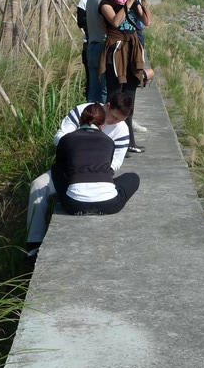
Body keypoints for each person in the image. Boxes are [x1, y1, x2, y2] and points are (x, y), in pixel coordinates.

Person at [26, 92, 134, 256]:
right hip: (70, 167)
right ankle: (33, 242)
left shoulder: (122, 130)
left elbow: (116, 163)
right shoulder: (83, 111)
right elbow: (60, 136)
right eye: (113, 117)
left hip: (97, 172)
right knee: (38, 185)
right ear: (108, 105)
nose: (114, 122)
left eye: (119, 120)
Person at [98, 0, 154, 152]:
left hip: (132, 50)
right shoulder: (106, 3)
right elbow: (115, 22)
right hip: (116, 52)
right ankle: (106, 139)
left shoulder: (133, 1)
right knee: (114, 96)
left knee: (130, 97)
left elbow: (146, 22)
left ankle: (129, 141)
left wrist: (143, 1)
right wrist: (129, 1)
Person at [51, 103, 139, 217]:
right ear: (102, 125)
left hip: (74, 205)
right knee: (133, 177)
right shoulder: (109, 141)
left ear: (80, 121)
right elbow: (109, 166)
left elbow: (61, 166)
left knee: (56, 168)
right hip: (108, 204)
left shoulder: (66, 139)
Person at [85, 0, 115, 102]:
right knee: (105, 91)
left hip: (91, 46)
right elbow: (113, 23)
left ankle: (91, 121)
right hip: (103, 47)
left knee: (93, 90)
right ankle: (104, 122)